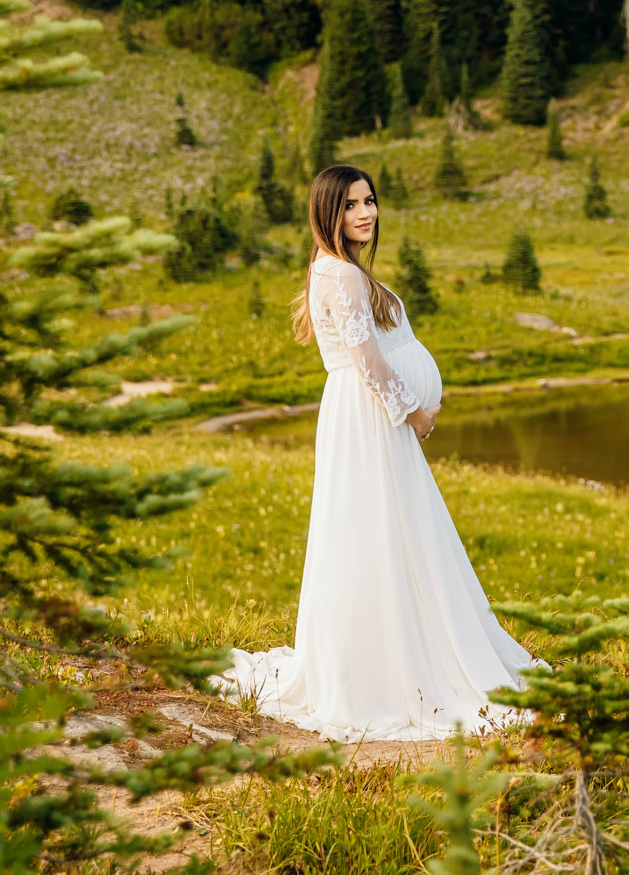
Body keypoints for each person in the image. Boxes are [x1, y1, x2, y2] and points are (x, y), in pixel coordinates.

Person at [213, 164, 544, 740]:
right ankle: (391, 673)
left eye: (369, 201)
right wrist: (414, 411)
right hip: (369, 419)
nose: (365, 213)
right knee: (380, 532)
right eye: (350, 205)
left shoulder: (336, 269)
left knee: (394, 532)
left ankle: (404, 649)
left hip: (365, 417)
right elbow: (366, 359)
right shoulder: (338, 274)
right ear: (327, 212)